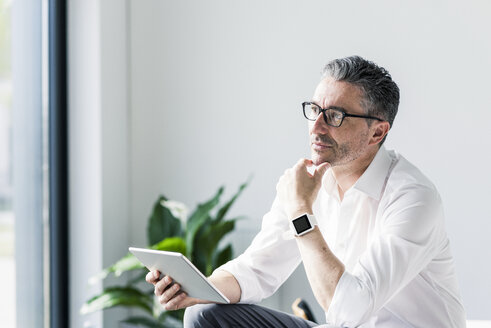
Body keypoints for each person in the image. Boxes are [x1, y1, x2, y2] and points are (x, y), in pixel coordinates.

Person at [146, 56, 466, 327]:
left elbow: (348, 311)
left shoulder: (412, 197)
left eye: (335, 116)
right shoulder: (309, 182)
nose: (316, 126)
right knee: (203, 313)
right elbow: (259, 268)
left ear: (377, 131)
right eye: (314, 109)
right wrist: (199, 288)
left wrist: (301, 212)